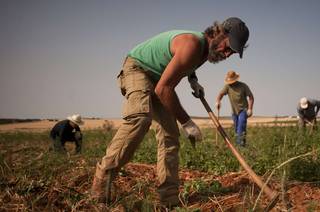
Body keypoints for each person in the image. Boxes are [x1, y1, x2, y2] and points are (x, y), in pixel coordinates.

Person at [90, 17, 250, 207]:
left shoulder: (205, 52)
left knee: (169, 134)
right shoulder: (191, 44)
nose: (227, 53)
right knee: (140, 118)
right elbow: (164, 90)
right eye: (228, 46)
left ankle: (169, 199)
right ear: (218, 33)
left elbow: (185, 67)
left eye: (232, 51)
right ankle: (101, 185)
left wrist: (193, 79)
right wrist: (187, 122)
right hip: (138, 69)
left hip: (158, 79)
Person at [215, 71, 254, 147]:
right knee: (237, 129)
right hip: (234, 112)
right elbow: (220, 94)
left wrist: (250, 109)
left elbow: (251, 97)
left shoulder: (243, 86)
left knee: (240, 128)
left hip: (243, 110)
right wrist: (218, 101)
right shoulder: (227, 86)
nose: (231, 83)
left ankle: (240, 148)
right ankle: (241, 146)